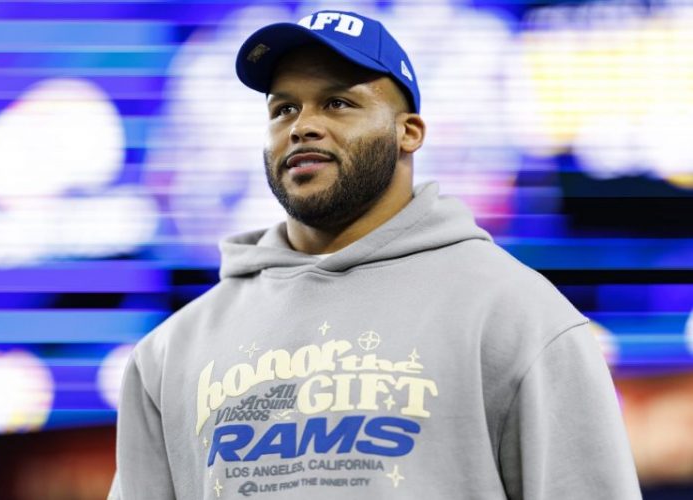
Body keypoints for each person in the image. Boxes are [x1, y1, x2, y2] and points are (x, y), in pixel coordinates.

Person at [110, 10, 642, 499]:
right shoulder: (171, 352)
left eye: (338, 103)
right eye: (284, 108)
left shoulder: (517, 315)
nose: (302, 125)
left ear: (408, 133)